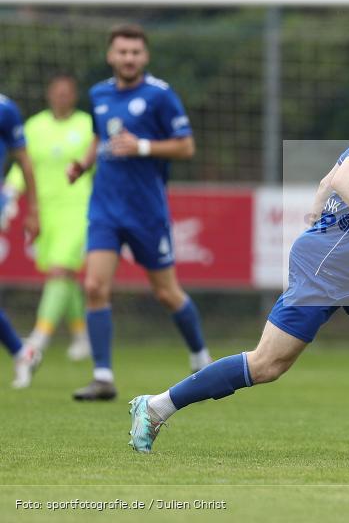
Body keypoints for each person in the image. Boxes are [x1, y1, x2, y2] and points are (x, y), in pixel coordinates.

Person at [128, 51, 349, 457]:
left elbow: (337, 171)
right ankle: (154, 407)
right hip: (327, 262)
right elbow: (348, 176)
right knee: (266, 365)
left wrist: (318, 203)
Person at [66, 24, 212, 401]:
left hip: (146, 210)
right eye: (122, 52)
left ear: (144, 57)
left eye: (135, 52)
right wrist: (83, 165)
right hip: (105, 208)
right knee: (95, 286)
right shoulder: (99, 93)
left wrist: (143, 146)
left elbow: (186, 147)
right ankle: (103, 378)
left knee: (166, 293)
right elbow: (101, 135)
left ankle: (200, 358)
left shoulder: (160, 96)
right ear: (110, 56)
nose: (128, 58)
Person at [4, 75, 94, 388]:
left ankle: (37, 341)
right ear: (48, 95)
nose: (61, 97)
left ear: (74, 96)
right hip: (44, 210)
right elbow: (22, 164)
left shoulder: (86, 125)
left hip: (78, 208)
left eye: (67, 93)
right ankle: (82, 336)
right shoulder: (34, 125)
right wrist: (11, 191)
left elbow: (96, 162)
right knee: (62, 276)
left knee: (59, 270)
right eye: (56, 93)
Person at [0, 92, 42, 387]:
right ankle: (21, 350)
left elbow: (25, 162)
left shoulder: (5, 109)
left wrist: (34, 209)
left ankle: (21, 350)